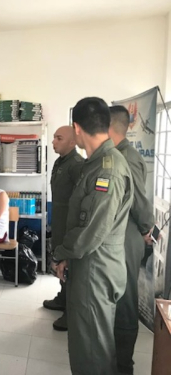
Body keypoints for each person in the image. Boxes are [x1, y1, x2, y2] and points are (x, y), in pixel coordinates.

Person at [53, 97, 134, 375]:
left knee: (91, 352)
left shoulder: (106, 169)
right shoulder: (96, 162)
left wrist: (61, 253)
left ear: (77, 128)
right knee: (91, 344)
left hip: (95, 271)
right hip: (89, 265)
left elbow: (91, 231)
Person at [109, 105, 155, 375]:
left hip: (128, 236)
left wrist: (147, 227)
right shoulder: (115, 155)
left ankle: (124, 366)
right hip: (118, 235)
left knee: (125, 301)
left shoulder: (127, 157)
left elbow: (139, 200)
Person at [42, 126, 84, 331]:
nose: (53, 142)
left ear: (72, 142)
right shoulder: (61, 161)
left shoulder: (77, 165)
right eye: (54, 137)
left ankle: (71, 312)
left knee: (70, 269)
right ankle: (62, 298)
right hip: (59, 222)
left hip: (69, 224)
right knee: (60, 263)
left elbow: (81, 200)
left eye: (59, 138)